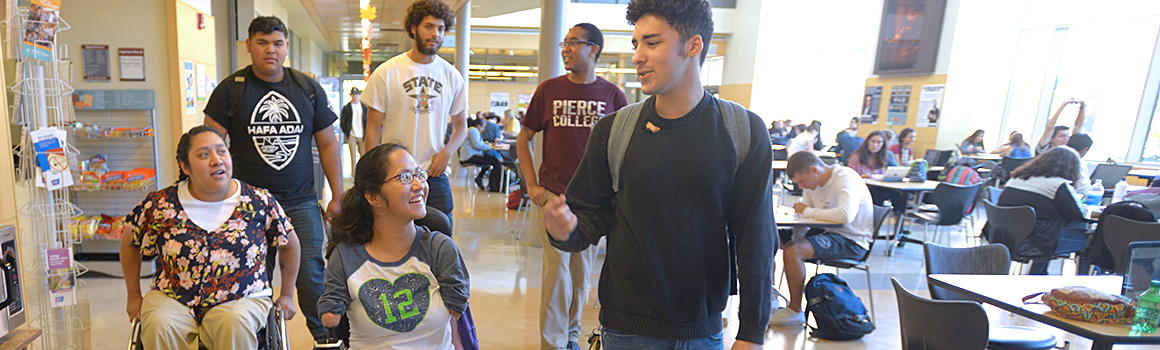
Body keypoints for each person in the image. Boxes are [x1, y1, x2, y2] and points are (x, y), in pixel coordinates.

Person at [541, 0, 774, 348]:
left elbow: (756, 238)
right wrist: (564, 228)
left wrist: (752, 332)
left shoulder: (742, 130)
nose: (637, 56)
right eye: (636, 44)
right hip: (626, 331)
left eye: (652, 43)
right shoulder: (614, 130)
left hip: (703, 329)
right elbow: (588, 216)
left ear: (693, 46)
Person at [202, 16, 341, 340]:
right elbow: (209, 146)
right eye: (262, 43)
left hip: (300, 200)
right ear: (249, 46)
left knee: (311, 273)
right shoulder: (231, 90)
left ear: (286, 47)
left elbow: (329, 143)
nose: (270, 50)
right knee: (253, 276)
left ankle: (325, 339)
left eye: (278, 43)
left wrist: (338, 194)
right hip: (246, 206)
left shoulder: (307, 88)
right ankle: (259, 339)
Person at [121, 126, 301, 349]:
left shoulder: (258, 201)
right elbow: (129, 243)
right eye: (204, 155)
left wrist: (287, 294)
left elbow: (290, 244)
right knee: (159, 323)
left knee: (234, 322)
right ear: (185, 166)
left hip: (242, 297)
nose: (217, 160)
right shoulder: (160, 204)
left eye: (221, 151)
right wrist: (133, 295)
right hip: (173, 295)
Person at [516, 22, 628, 350]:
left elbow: (623, 148)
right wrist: (531, 184)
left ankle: (571, 336)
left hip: (592, 200)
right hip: (554, 195)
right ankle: (552, 343)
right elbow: (524, 138)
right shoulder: (548, 90)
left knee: (581, 276)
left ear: (593, 50)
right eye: (564, 43)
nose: (565, 49)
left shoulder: (613, 96)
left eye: (573, 43)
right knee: (556, 273)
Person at [318, 143, 470, 349]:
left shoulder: (440, 249)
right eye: (405, 177)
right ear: (373, 197)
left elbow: (456, 324)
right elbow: (330, 317)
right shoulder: (346, 257)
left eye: (419, 174)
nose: (419, 185)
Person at [362, 0, 468, 221]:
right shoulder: (387, 72)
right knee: (393, 238)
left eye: (440, 28)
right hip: (394, 175)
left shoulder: (452, 76)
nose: (435, 34)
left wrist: (446, 153)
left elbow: (461, 127)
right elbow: (372, 127)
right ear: (413, 28)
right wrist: (371, 174)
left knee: (441, 237)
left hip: (434, 174)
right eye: (428, 26)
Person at [770, 152, 874, 326]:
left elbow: (844, 216)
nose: (801, 186)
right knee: (768, 237)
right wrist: (797, 237)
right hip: (827, 232)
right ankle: (769, 298)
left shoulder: (845, 177)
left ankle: (795, 311)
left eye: (802, 181)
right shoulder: (812, 185)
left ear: (814, 170)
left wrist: (806, 214)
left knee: (793, 251)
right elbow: (804, 219)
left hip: (852, 241)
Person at [996, 147, 1089, 275]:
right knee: (1091, 241)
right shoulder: (1059, 185)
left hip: (1005, 238)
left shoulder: (1017, 178)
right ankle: (1083, 286)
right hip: (1033, 244)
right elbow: (1080, 214)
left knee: (1046, 228)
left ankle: (1038, 274)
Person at [461, 117, 504, 192]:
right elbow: (477, 145)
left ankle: (481, 178)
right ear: (478, 125)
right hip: (470, 156)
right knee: (495, 162)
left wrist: (487, 144)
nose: (483, 129)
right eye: (483, 127)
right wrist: (490, 146)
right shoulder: (473, 130)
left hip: (469, 155)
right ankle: (494, 186)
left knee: (490, 160)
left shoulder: (471, 130)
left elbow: (478, 143)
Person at [341, 87, 369, 172]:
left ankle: (363, 171)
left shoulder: (364, 107)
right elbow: (343, 121)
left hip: (362, 134)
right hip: (352, 134)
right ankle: (353, 172)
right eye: (353, 95)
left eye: (356, 94)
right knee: (352, 155)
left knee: (363, 154)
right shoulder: (347, 108)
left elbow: (367, 120)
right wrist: (346, 132)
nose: (355, 96)